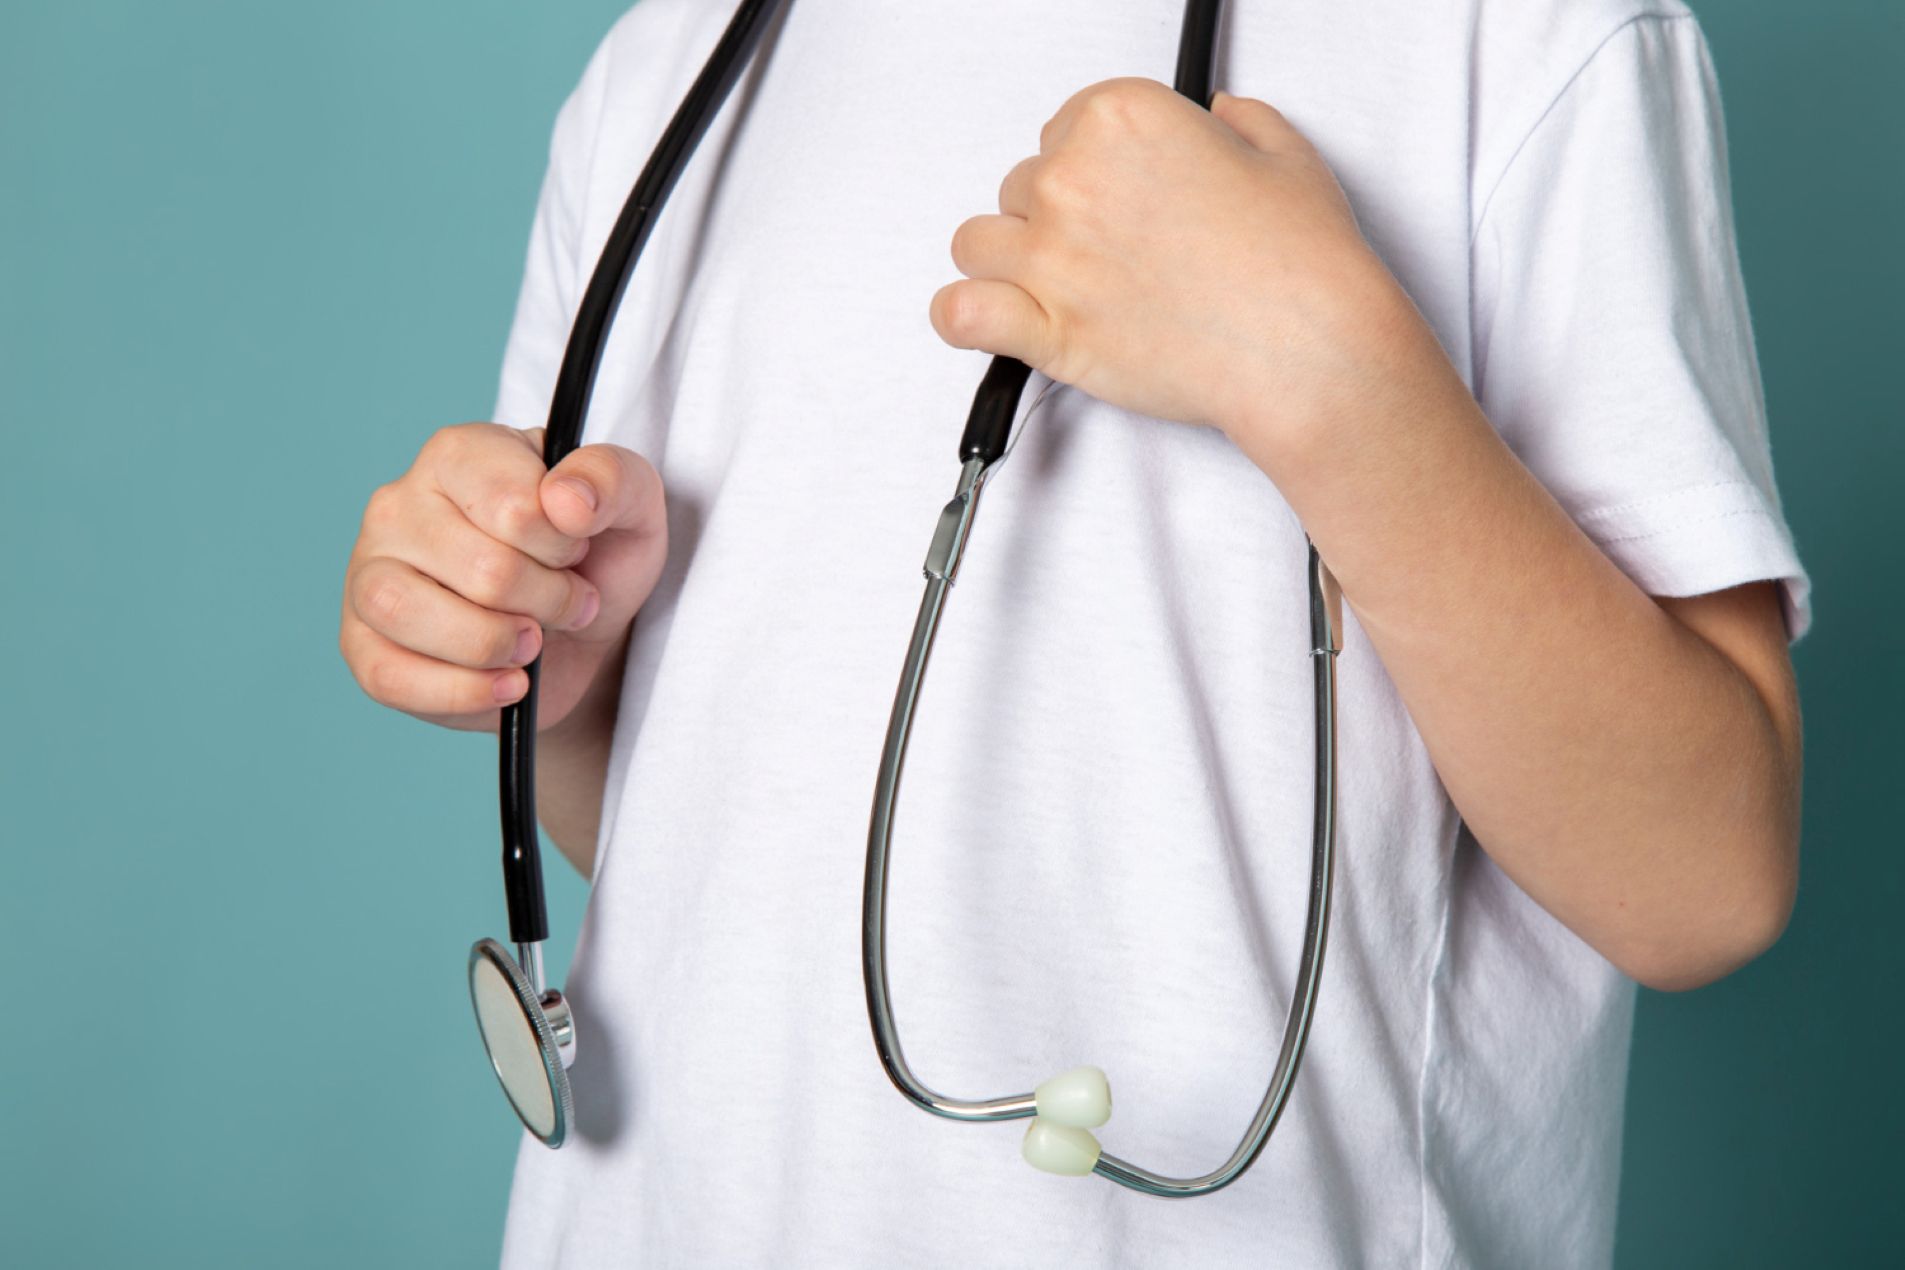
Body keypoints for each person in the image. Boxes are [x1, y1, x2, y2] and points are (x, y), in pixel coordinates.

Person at [338, 0, 1808, 1264]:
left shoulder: (1512, 36)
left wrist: (1335, 382)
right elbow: (705, 864)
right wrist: (562, 677)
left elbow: (1701, 874)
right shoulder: (668, 67)